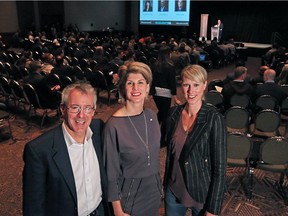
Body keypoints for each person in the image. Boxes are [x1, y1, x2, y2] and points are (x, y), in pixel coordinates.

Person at [23, 83, 110, 216]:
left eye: (87, 108)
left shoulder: (99, 130)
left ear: (93, 111)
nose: (81, 115)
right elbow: (34, 206)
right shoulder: (39, 150)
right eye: (75, 108)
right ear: (62, 109)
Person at [162, 64, 227, 216]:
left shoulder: (214, 118)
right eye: (186, 85)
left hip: (202, 195)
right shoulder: (173, 114)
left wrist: (213, 209)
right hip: (174, 191)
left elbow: (220, 168)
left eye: (196, 85)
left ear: (204, 85)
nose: (191, 91)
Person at [104, 61, 162, 216]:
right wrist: (117, 210)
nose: (136, 88)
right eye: (130, 83)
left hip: (153, 191)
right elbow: (111, 173)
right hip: (129, 197)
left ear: (148, 87)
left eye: (141, 83)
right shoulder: (113, 126)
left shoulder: (151, 116)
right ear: (123, 88)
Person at [151, 45, 181, 124]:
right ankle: (161, 131)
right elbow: (172, 82)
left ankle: (155, 127)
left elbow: (153, 80)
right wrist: (175, 97)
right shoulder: (170, 66)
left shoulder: (155, 65)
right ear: (168, 54)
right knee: (164, 113)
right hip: (165, 93)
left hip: (156, 92)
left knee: (162, 112)